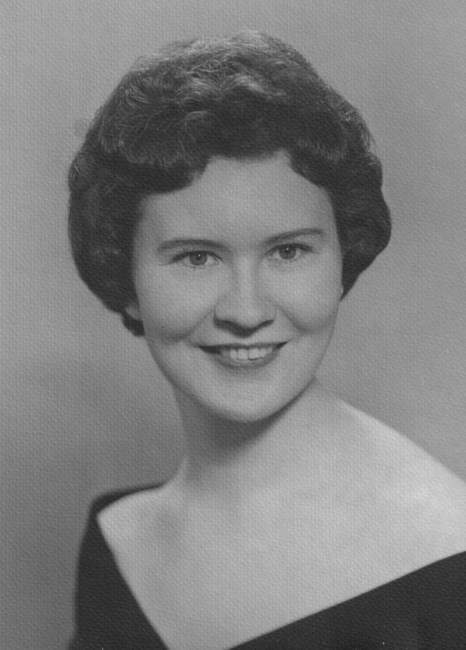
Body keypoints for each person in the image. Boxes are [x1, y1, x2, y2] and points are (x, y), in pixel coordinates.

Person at [68, 31, 466, 649]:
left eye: (288, 251)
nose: (246, 311)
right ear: (126, 280)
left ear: (343, 261)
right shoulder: (119, 544)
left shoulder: (446, 552)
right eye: (197, 257)